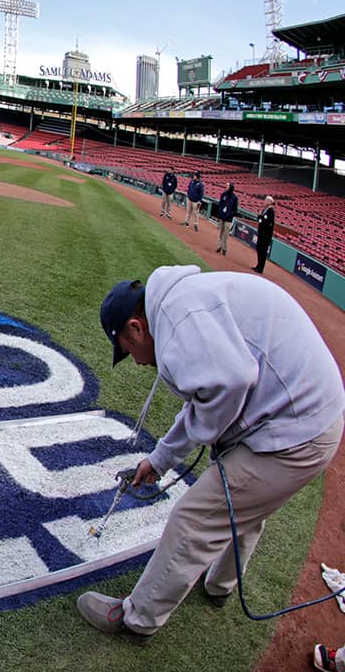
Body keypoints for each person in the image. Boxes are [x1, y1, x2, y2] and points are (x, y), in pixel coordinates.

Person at [76, 267, 344, 643]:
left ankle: (138, 618)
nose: (136, 361)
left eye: (127, 349)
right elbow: (207, 399)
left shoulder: (177, 325)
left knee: (195, 517)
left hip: (296, 431)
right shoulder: (180, 302)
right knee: (246, 506)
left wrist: (209, 436)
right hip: (312, 415)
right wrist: (159, 460)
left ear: (136, 328)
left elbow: (231, 382)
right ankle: (220, 584)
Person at [215, 182, 239, 255]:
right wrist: (221, 212)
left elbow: (235, 210)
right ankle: (219, 247)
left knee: (226, 234)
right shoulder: (223, 194)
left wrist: (229, 214)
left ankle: (224, 248)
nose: (226, 187)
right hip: (222, 217)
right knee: (221, 233)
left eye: (228, 186)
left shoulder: (234, 198)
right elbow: (220, 204)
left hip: (228, 219)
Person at [254, 196, 275, 274]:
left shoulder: (271, 211)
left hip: (265, 236)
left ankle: (260, 268)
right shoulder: (264, 210)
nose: (264, 202)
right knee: (259, 249)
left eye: (266, 201)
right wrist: (260, 218)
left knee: (263, 251)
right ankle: (258, 265)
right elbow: (260, 219)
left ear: (269, 202)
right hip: (261, 233)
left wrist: (261, 219)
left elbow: (267, 222)